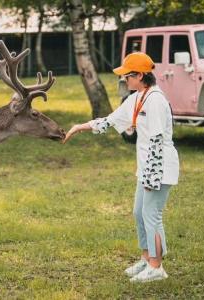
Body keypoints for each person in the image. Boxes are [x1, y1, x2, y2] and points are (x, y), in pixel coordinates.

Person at [62, 52, 180, 283]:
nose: (124, 80)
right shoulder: (137, 97)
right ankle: (147, 259)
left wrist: (151, 177)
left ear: (140, 75)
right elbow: (110, 121)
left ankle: (156, 268)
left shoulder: (155, 100)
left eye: (127, 76)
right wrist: (79, 127)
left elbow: (156, 139)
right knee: (139, 213)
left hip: (159, 167)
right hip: (146, 167)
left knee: (151, 215)